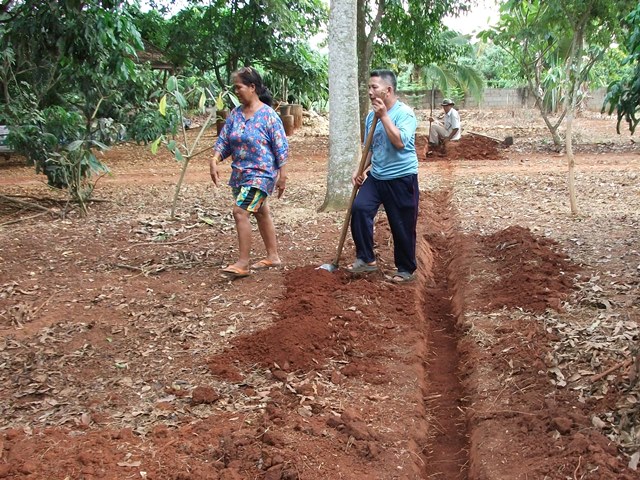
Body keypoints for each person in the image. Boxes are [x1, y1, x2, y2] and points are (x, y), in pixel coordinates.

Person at [209, 67, 288, 278]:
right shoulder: (235, 115)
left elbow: (281, 147)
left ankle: (243, 263)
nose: (236, 91)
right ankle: (273, 256)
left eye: (239, 87)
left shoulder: (269, 116)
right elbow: (224, 141)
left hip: (261, 175)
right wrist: (214, 160)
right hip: (240, 175)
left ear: (252, 87)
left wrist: (283, 176)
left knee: (240, 211)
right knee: (261, 212)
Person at [349, 69, 419, 283]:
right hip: (377, 176)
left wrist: (384, 117)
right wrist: (360, 169)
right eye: (369, 87)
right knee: (359, 208)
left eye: (374, 87)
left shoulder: (404, 114)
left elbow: (399, 142)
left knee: (401, 224)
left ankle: (405, 270)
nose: (370, 92)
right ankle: (366, 259)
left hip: (401, 177)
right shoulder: (371, 116)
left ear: (388, 90)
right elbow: (371, 147)